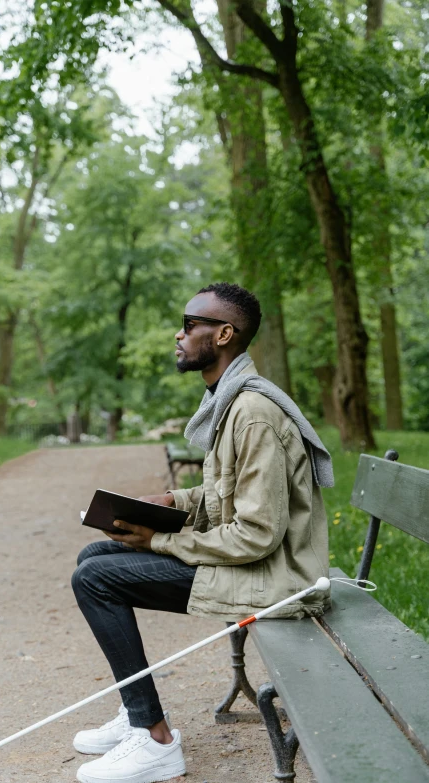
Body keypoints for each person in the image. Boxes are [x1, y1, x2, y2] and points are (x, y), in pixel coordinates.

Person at [71, 282, 332, 783]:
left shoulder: (253, 414)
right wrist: (173, 502)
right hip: (255, 564)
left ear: (224, 334)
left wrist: (161, 540)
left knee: (95, 580)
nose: (180, 334)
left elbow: (256, 535)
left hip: (277, 580)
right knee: (94, 556)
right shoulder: (230, 401)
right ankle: (136, 712)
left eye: (191, 325)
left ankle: (155, 741)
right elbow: (223, 491)